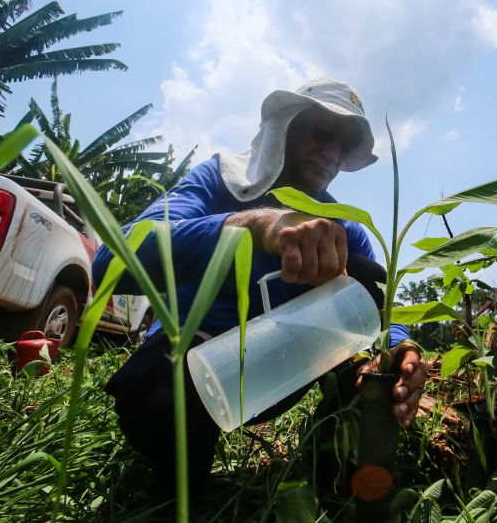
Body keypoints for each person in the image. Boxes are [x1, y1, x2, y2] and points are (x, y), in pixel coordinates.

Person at [92, 77, 427, 494]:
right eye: (322, 133)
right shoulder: (221, 181)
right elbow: (109, 263)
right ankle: (181, 484)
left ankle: (337, 465)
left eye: (344, 145)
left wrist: (402, 347)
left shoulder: (343, 229)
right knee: (155, 387)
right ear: (284, 128)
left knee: (365, 283)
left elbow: (380, 310)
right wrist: (253, 227)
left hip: (285, 368)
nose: (332, 153)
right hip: (198, 368)